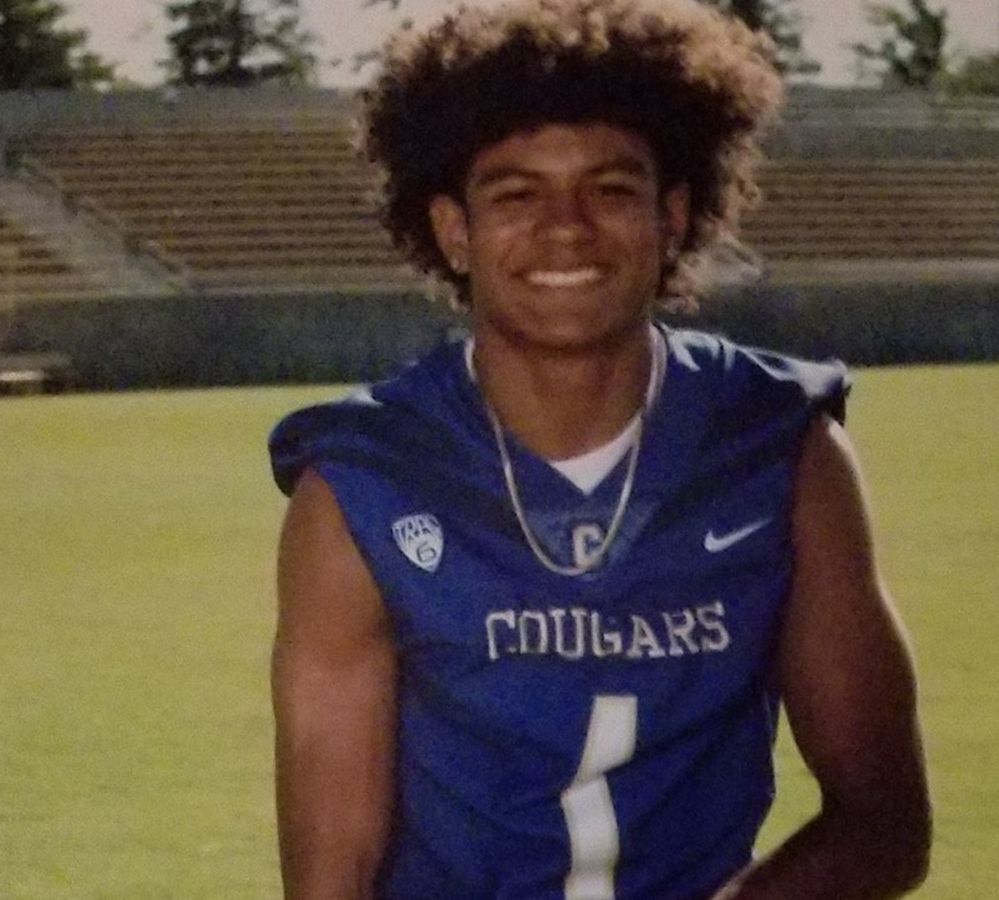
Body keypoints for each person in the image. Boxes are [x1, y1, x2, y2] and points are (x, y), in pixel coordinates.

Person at [268, 0, 931, 897]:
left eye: (611, 190)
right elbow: (330, 878)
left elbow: (884, 825)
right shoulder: (364, 483)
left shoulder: (779, 449)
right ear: (455, 231)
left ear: (673, 216)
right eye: (516, 194)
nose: (567, 226)